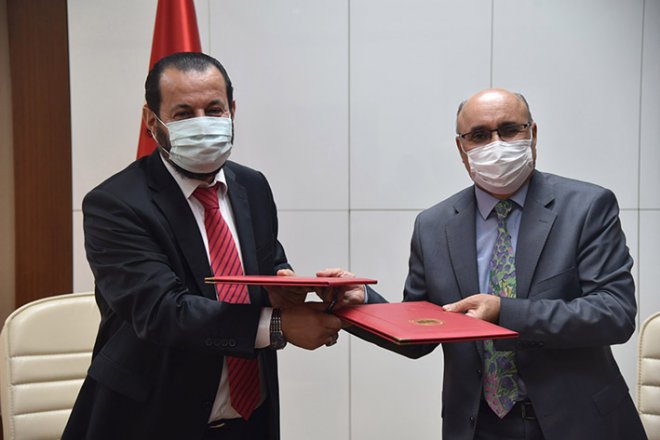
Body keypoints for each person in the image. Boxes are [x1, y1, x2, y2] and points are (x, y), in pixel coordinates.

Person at [320, 88, 648, 439]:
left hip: (578, 423)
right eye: (479, 135)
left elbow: (614, 314)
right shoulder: (433, 226)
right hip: (478, 426)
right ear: (461, 148)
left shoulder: (587, 207)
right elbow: (420, 333)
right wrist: (361, 304)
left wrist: (504, 313)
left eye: (509, 130)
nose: (496, 145)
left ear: (533, 134)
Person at [62, 52, 342, 440]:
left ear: (232, 111)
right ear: (151, 122)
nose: (203, 123)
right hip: (151, 420)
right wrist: (278, 325)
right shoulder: (115, 204)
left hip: (250, 418)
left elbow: (266, 263)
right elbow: (161, 311)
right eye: (183, 114)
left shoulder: (252, 186)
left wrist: (286, 286)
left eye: (214, 109)